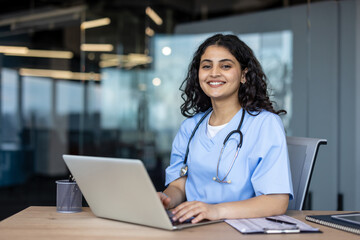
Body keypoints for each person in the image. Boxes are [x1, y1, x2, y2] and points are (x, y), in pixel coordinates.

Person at [158, 34, 293, 224]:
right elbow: (179, 186)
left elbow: (276, 202)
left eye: (226, 66)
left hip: (242, 229)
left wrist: (215, 211)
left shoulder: (265, 124)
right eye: (206, 66)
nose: (214, 73)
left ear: (244, 75)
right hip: (195, 226)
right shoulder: (190, 127)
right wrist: (166, 200)